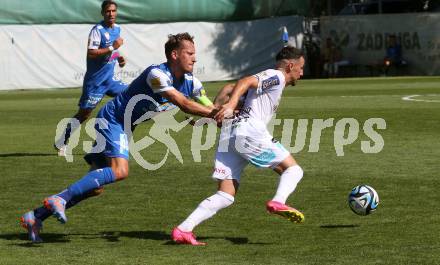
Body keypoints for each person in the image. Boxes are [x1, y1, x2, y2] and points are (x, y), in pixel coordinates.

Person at [20, 32, 216, 243]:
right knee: (120, 171)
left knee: (95, 187)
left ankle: (35, 216)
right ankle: (58, 199)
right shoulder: (157, 75)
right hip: (113, 119)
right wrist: (215, 114)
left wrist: (225, 113)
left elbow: (210, 107)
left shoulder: (192, 83)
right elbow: (184, 104)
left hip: (125, 125)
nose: (195, 58)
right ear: (175, 55)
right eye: (190, 53)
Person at [171, 46, 306, 245]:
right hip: (249, 132)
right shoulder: (276, 76)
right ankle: (279, 201)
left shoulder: (272, 82)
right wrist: (232, 105)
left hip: (230, 135)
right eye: (301, 68)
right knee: (294, 170)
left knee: (226, 195)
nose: (302, 73)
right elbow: (245, 81)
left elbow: (228, 88)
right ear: (291, 66)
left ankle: (183, 230)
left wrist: (216, 110)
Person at [55, 0, 127, 156]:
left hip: (110, 80)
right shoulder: (97, 30)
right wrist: (113, 48)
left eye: (114, 11)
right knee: (84, 115)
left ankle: (115, 139)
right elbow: (92, 53)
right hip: (95, 82)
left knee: (130, 96)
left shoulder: (117, 29)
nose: (111, 14)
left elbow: (110, 52)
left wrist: (118, 56)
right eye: (108, 11)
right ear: (102, 13)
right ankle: (62, 140)